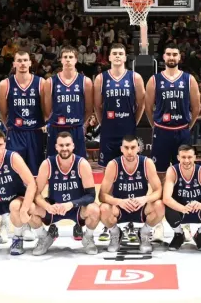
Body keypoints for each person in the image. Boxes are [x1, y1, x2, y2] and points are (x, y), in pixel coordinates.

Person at [145, 43, 200, 240]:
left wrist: (186, 126)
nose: (171, 57)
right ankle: (158, 223)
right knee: (159, 178)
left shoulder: (189, 79)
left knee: (184, 179)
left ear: (180, 57)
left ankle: (183, 222)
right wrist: (157, 126)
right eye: (168, 53)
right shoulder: (154, 79)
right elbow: (148, 107)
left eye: (175, 54)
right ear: (164, 56)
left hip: (182, 132)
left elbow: (196, 108)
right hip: (162, 132)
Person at [94, 43, 146, 241]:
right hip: (109, 132)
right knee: (110, 176)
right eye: (114, 53)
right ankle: (110, 223)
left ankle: (132, 221)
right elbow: (97, 106)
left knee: (131, 175)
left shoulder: (135, 77)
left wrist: (133, 121)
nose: (117, 56)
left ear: (126, 57)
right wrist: (103, 123)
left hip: (127, 131)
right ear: (109, 57)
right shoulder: (101, 78)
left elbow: (141, 104)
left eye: (120, 53)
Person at [43, 46, 94, 240]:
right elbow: (47, 110)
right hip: (56, 130)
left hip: (76, 130)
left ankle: (78, 222)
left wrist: (80, 124)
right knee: (53, 175)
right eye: (64, 57)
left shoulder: (85, 81)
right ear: (60, 60)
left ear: (76, 59)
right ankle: (53, 221)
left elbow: (89, 108)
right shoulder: (51, 82)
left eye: (71, 57)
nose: (67, 60)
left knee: (79, 174)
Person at [29, 132, 101, 255]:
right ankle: (43, 238)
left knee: (95, 209)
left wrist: (71, 204)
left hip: (76, 208)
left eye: (67, 145)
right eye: (61, 145)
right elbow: (36, 194)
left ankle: (88, 238)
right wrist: (48, 206)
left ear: (73, 146)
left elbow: (91, 195)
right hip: (54, 207)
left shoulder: (82, 163)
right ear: (56, 147)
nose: (64, 148)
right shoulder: (47, 164)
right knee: (29, 208)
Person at [99, 135, 165, 253]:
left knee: (159, 205)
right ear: (121, 149)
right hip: (120, 208)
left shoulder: (146, 163)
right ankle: (115, 234)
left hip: (140, 207)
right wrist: (119, 201)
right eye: (126, 148)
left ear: (138, 148)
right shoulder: (113, 165)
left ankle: (144, 233)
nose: (129, 151)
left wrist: (145, 199)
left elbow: (159, 190)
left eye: (133, 147)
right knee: (103, 208)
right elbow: (102, 195)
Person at [163, 144, 201, 251]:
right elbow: (166, 198)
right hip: (180, 211)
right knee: (167, 207)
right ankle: (178, 234)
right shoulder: (172, 171)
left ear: (195, 157)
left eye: (189, 157)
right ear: (178, 158)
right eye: (183, 157)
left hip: (198, 209)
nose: (186, 160)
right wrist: (182, 208)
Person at [0, 51, 46, 177]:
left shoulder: (41, 83)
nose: (22, 63)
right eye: (19, 60)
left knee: (36, 174)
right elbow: (3, 112)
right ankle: (17, 197)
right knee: (15, 173)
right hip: (15, 133)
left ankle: (34, 196)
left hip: (35, 132)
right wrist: (9, 125)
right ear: (14, 64)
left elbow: (46, 110)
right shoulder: (5, 84)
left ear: (30, 63)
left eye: (25, 60)